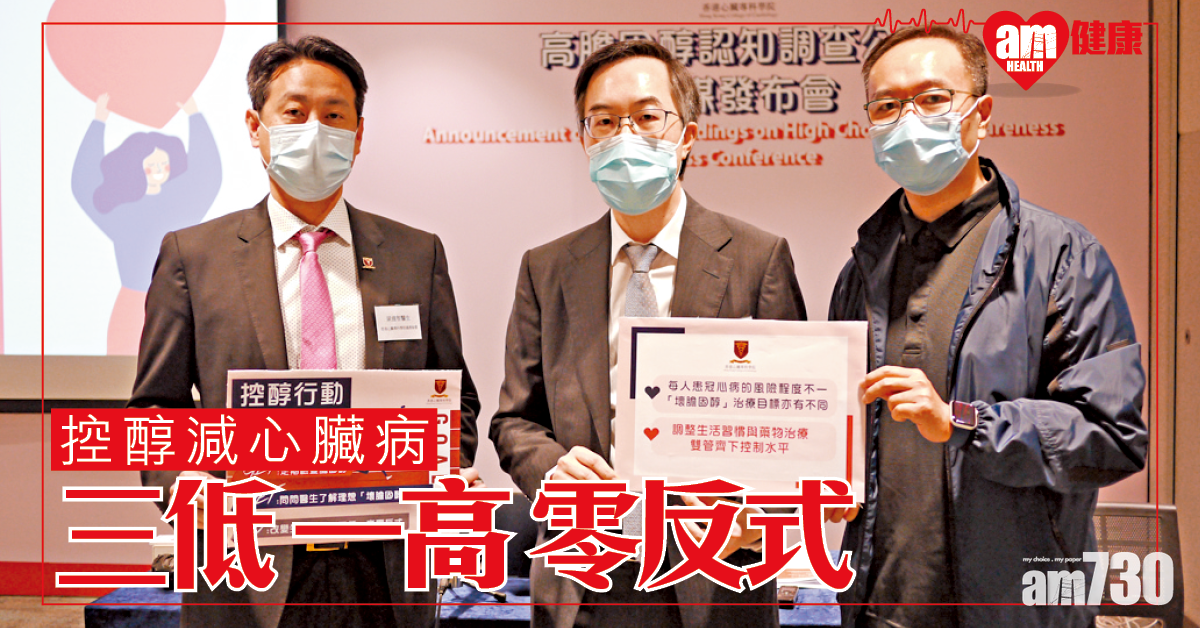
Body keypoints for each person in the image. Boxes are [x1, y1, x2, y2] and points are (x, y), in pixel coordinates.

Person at [129, 35, 480, 628]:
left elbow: (455, 397)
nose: (315, 129)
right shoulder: (195, 255)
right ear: (256, 126)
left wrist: (447, 465)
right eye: (294, 112)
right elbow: (156, 410)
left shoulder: (415, 254)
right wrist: (186, 487)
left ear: (359, 135)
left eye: (334, 115)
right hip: (245, 564)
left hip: (387, 567)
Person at [825, 25, 1147, 627]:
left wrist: (964, 421)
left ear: (982, 114)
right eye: (886, 106)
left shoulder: (1060, 256)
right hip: (878, 602)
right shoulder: (863, 268)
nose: (907, 120)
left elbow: (1111, 436)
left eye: (932, 99)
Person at [489, 39, 806, 628]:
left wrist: (759, 511)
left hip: (716, 571)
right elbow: (514, 421)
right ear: (584, 140)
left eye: (646, 116)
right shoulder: (547, 268)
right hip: (582, 573)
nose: (624, 135)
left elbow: (793, 423)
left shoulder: (757, 258)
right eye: (605, 121)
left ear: (687, 136)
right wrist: (553, 469)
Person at [71, 93, 221, 354]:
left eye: (164, 164)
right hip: (132, 304)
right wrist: (98, 123)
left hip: (183, 306)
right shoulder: (121, 211)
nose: (159, 170)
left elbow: (207, 173)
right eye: (151, 165)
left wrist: (195, 117)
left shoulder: (182, 204)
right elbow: (85, 184)